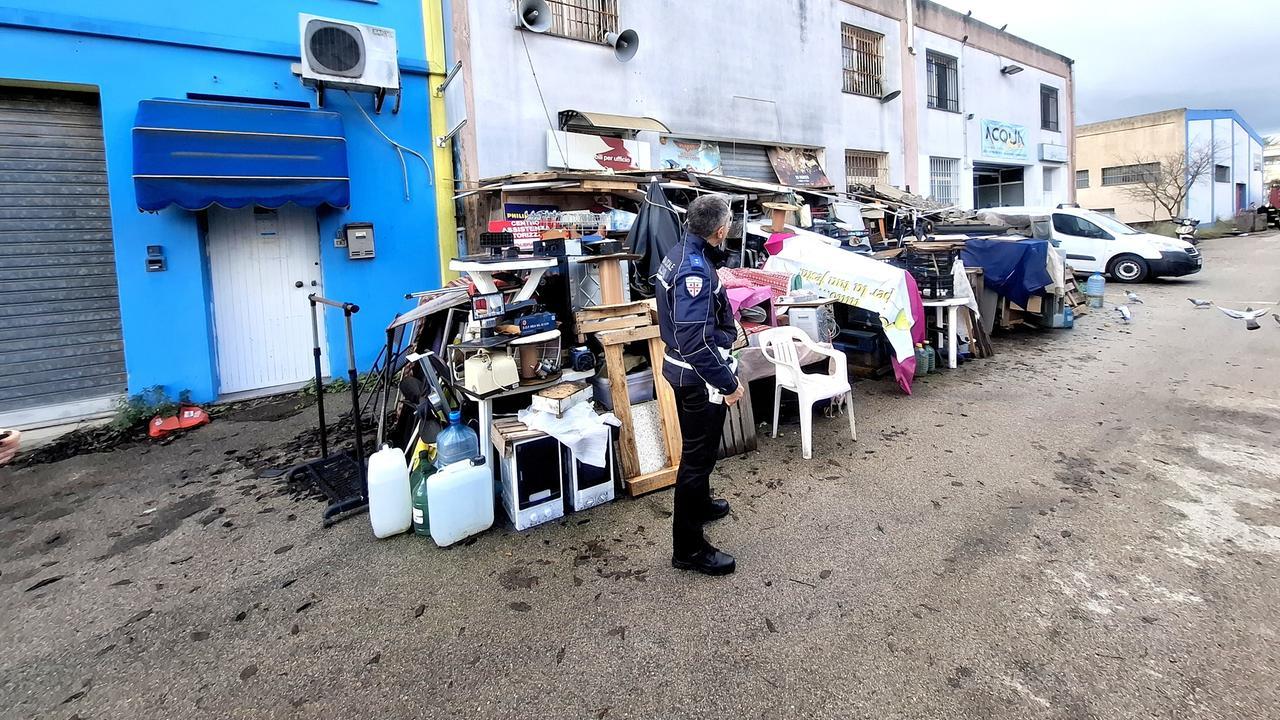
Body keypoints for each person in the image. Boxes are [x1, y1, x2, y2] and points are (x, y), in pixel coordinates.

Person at [655, 194, 743, 576]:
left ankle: (702, 505)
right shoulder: (693, 269)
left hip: (686, 372)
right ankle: (688, 548)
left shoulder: (682, 252)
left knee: (702, 454)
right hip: (697, 377)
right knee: (696, 461)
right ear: (720, 231)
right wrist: (728, 384)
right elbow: (694, 341)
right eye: (729, 223)